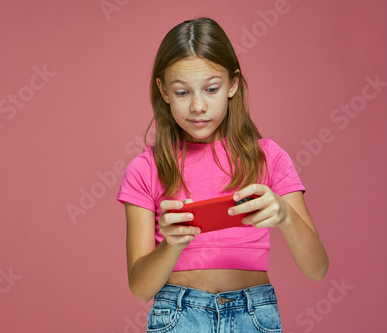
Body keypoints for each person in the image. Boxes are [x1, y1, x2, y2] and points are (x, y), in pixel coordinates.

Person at [116, 17, 329, 332]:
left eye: (211, 89)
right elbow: (141, 287)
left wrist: (285, 215)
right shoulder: (146, 169)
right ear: (163, 90)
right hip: (178, 317)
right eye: (182, 92)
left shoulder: (269, 158)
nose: (198, 106)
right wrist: (171, 244)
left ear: (232, 84)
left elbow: (317, 269)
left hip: (253, 315)